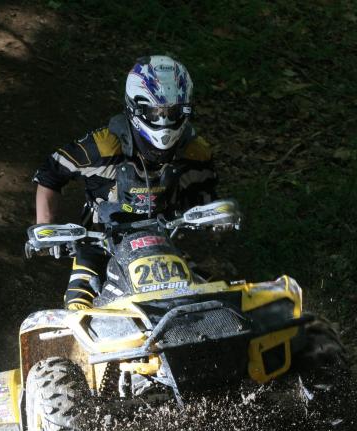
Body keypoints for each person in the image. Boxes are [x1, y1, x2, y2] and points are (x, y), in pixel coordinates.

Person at [32, 55, 218, 310]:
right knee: (77, 311)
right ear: (135, 108)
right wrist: (46, 229)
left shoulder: (196, 152)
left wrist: (213, 217)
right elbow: (50, 173)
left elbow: (206, 198)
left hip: (163, 248)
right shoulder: (102, 146)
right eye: (155, 112)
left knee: (217, 301)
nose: (163, 120)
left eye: (172, 112)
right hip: (97, 249)